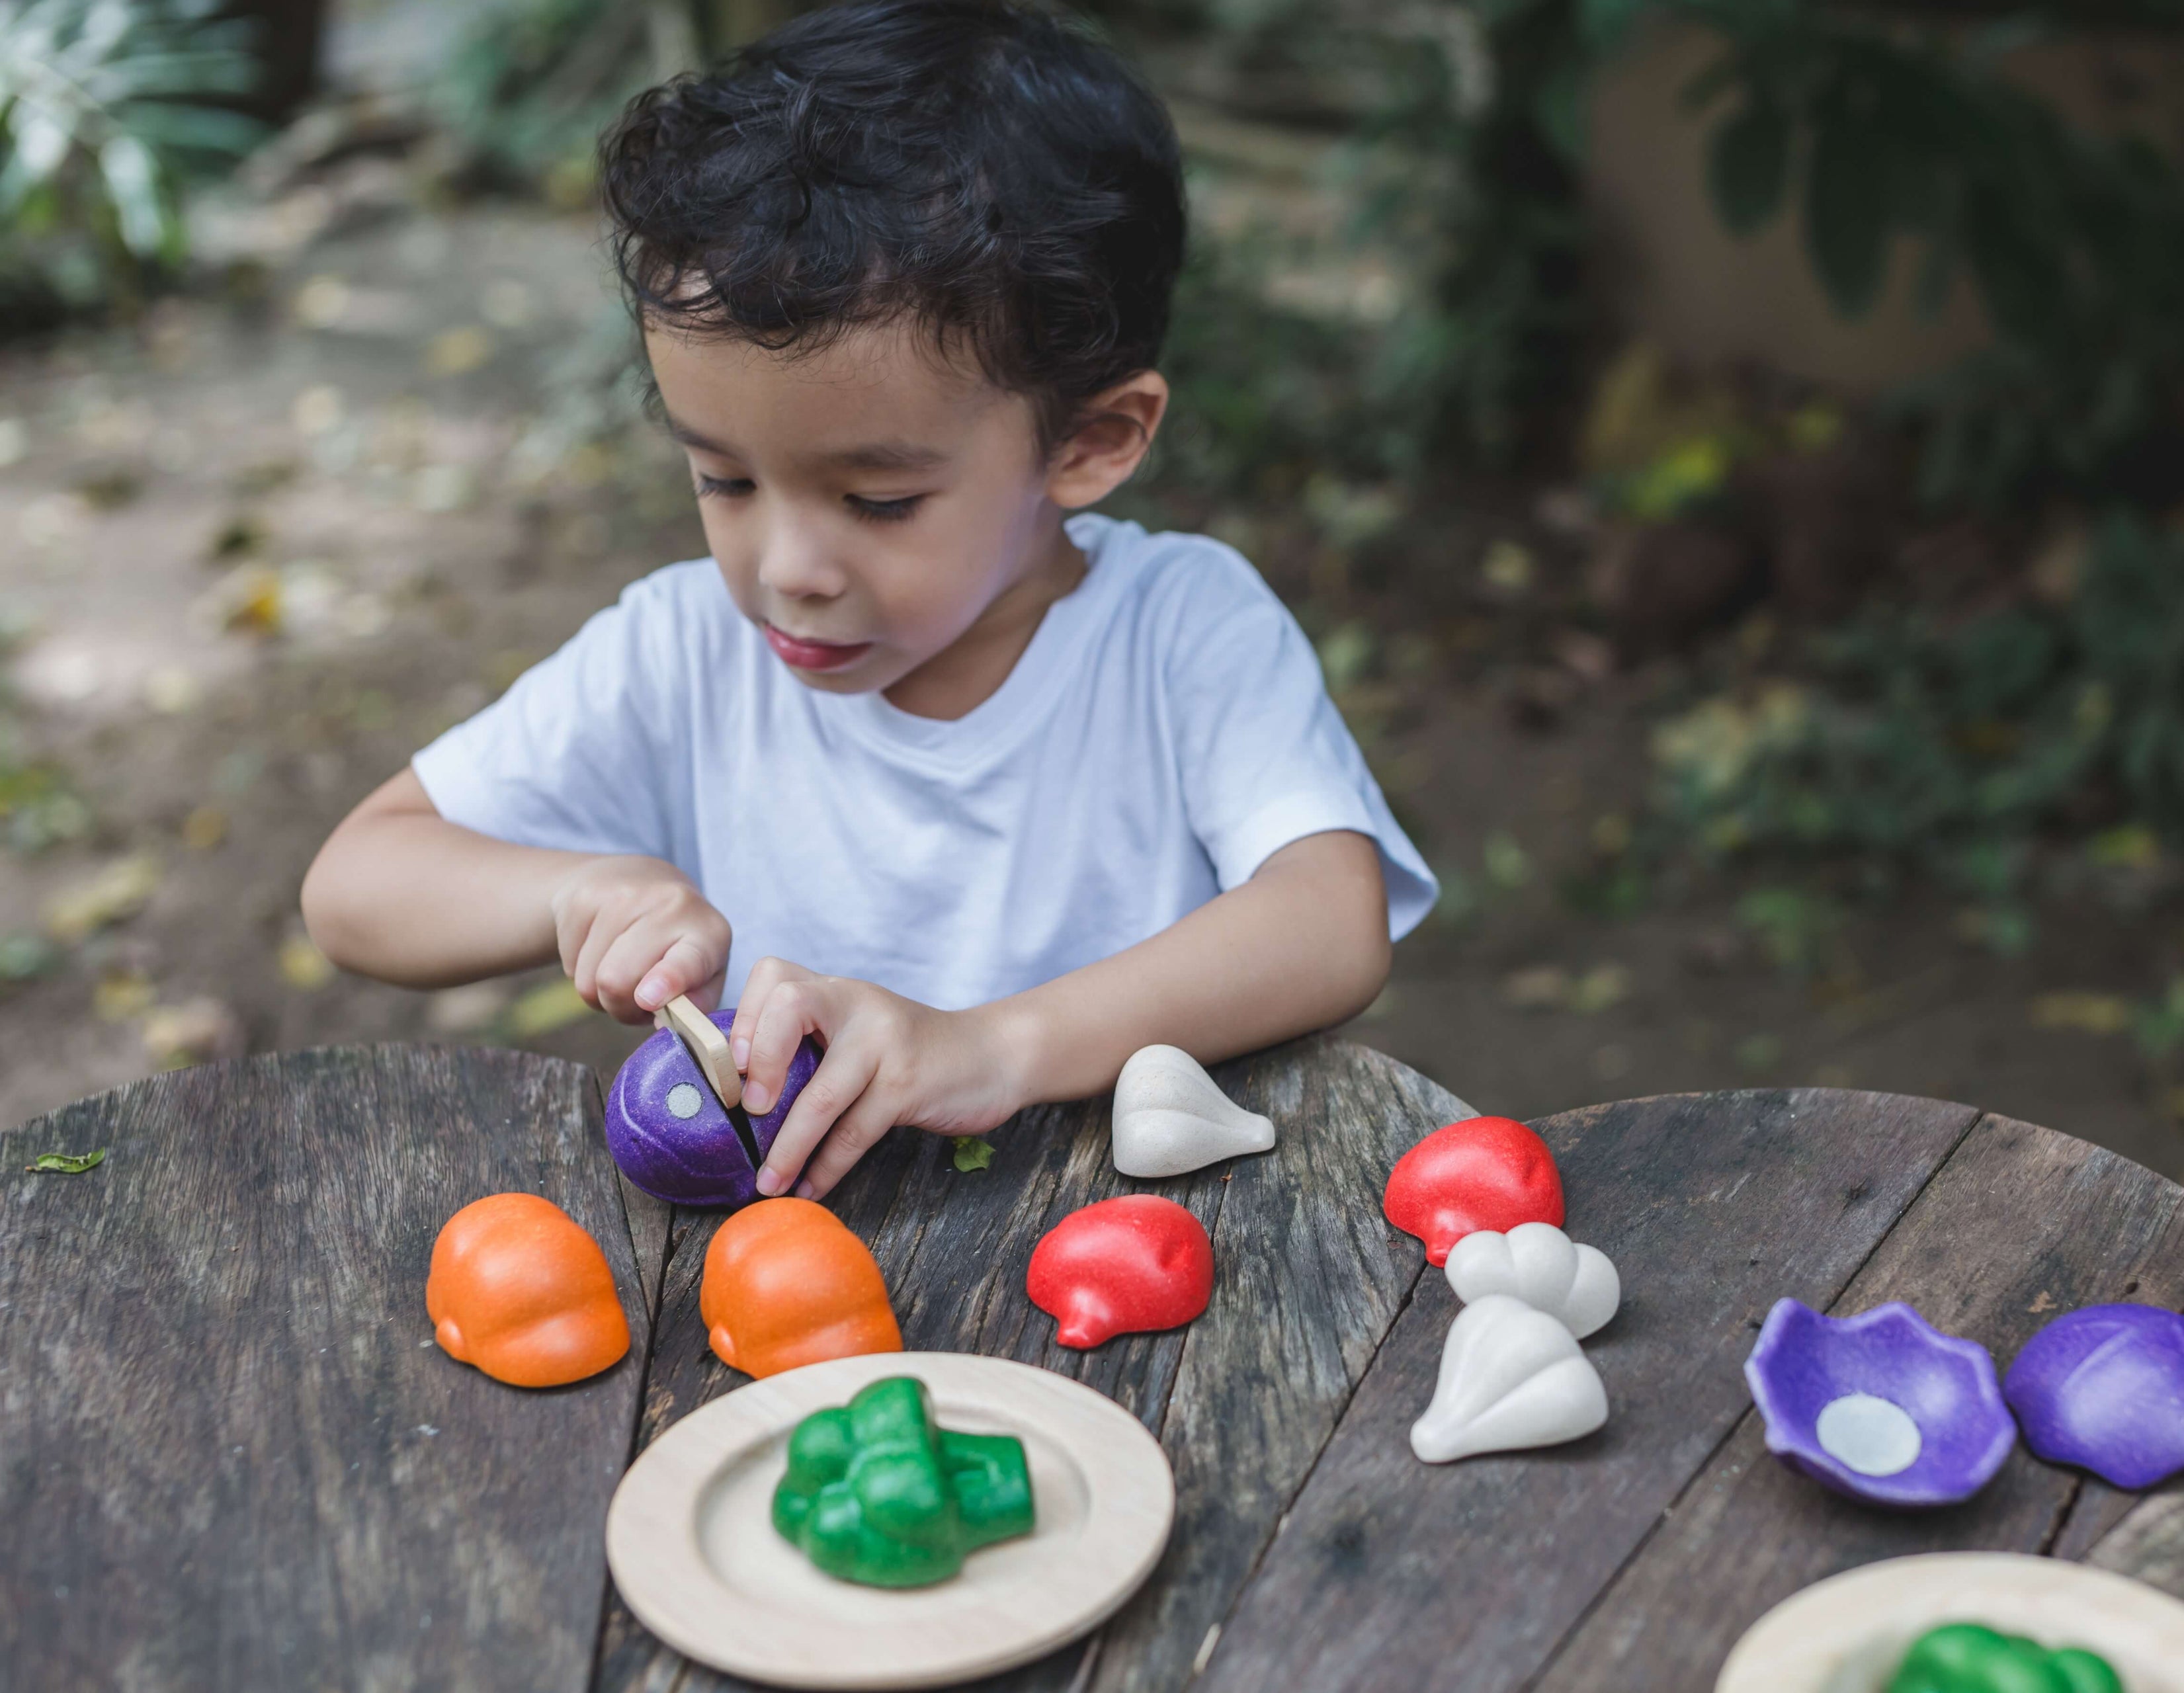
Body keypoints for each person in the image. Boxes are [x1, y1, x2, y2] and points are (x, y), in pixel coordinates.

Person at [300, 0, 1433, 1201]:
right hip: (792, 1282)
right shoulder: (685, 652)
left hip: (1146, 1254)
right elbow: (357, 885)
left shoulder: (1182, 631)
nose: (788, 566)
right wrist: (575, 889)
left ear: (1092, 441)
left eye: (879, 500)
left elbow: (1327, 918)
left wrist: (989, 1045)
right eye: (722, 478)